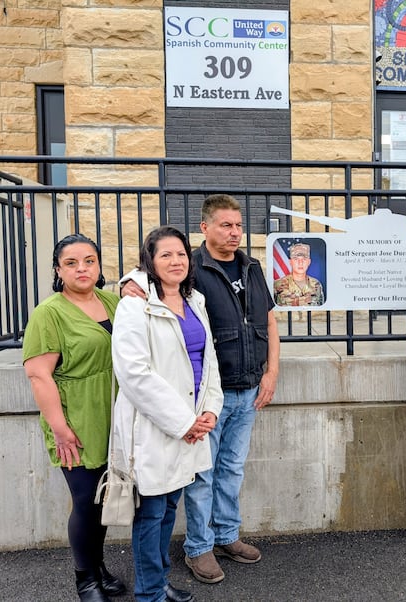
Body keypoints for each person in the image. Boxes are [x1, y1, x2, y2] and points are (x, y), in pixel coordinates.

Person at [121, 194, 280, 585]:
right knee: (202, 475)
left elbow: (269, 320)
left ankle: (226, 535)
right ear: (205, 228)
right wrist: (127, 283)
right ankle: (198, 547)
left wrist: (271, 372)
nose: (234, 232)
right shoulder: (191, 267)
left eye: (238, 225)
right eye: (226, 225)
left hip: (247, 388)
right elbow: (147, 280)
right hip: (206, 397)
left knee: (232, 469)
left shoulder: (252, 266)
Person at [111, 226, 224, 602]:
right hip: (156, 425)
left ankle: (158, 582)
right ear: (150, 261)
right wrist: (184, 422)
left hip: (193, 422)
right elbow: (133, 374)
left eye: (181, 254)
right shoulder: (134, 305)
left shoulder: (195, 300)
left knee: (170, 506)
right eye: (165, 255)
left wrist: (210, 410)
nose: (176, 261)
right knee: (152, 512)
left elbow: (208, 362)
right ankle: (148, 593)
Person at [23, 234, 126, 602]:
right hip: (76, 420)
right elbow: (39, 375)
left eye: (89, 261)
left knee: (104, 499)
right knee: (86, 500)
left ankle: (99, 568)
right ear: (58, 270)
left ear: (98, 266)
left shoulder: (113, 302)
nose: (82, 268)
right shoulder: (48, 313)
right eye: (71, 263)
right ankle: (86, 580)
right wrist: (60, 428)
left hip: (113, 416)